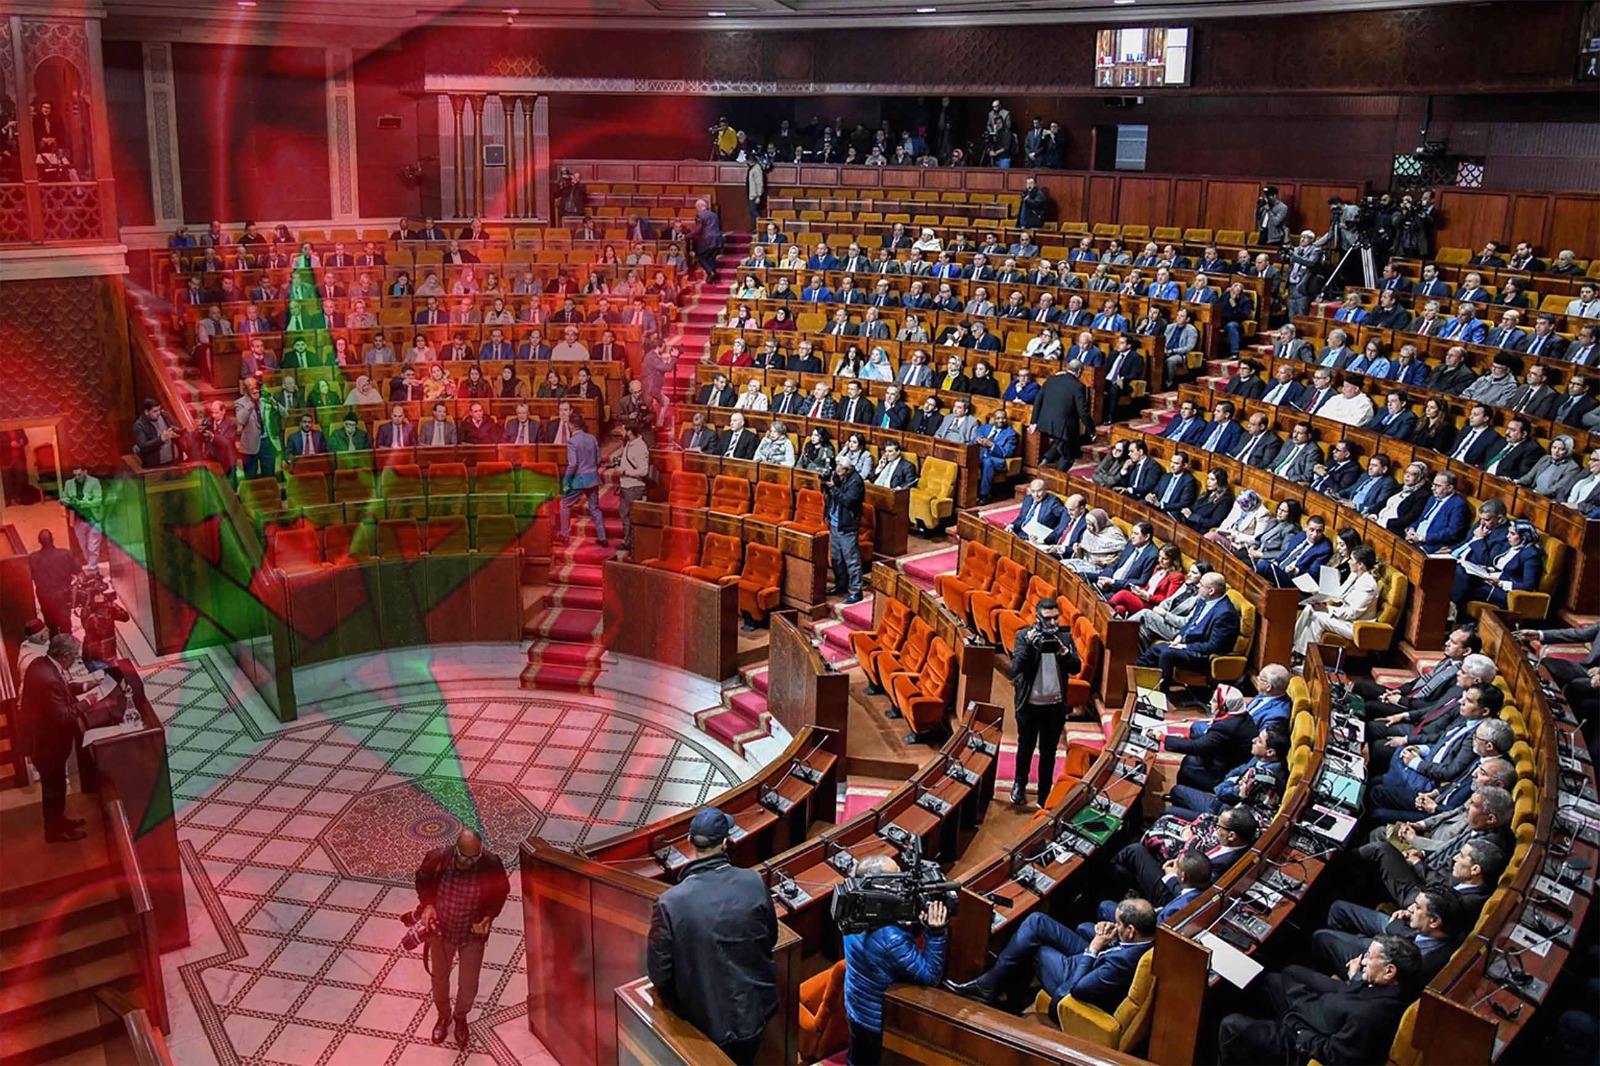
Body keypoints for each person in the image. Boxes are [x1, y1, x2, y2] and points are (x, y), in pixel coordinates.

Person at [646, 808, 778, 1064]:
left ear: (689, 841)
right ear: (726, 842)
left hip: (702, 1025)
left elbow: (659, 973)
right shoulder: (753, 881)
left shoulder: (669, 903)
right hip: (755, 1012)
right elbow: (769, 938)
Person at [1216, 937, 1422, 1066]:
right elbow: (1355, 997)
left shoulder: (1369, 1017)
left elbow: (1333, 1055)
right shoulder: (1390, 989)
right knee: (1271, 980)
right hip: (1317, 1010)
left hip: (1302, 1041)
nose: (1363, 961)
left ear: (1389, 971)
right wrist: (1355, 979)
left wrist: (1298, 1031)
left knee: (1231, 1024)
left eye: (1369, 956)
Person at [944, 899, 1156, 1014]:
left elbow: (1078, 988)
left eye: (1118, 924)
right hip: (1099, 957)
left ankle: (1005, 1000)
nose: (1115, 926)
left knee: (1034, 949)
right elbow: (1121, 946)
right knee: (1037, 921)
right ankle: (992, 985)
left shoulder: (1121, 964)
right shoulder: (1145, 938)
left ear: (1130, 931)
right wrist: (1111, 936)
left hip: (1079, 979)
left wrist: (1093, 948)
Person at [842, 854, 949, 1065]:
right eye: (898, 879)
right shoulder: (890, 938)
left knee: (856, 1058)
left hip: (856, 1003)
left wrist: (916, 923)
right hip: (876, 1020)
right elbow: (930, 976)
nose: (904, 882)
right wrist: (936, 933)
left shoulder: (852, 908)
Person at [413, 829, 510, 1047]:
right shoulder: (438, 858)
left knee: (469, 985)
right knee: (439, 978)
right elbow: (422, 880)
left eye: (474, 858)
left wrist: (488, 916)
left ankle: (460, 1017)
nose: (468, 863)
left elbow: (501, 892)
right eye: (464, 857)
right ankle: (443, 1015)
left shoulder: (490, 864)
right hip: (442, 931)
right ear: (456, 849)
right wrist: (428, 905)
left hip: (471, 934)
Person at [18, 634, 95, 842]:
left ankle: (60, 821)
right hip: (46, 746)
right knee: (54, 789)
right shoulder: (48, 679)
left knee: (56, 786)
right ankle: (55, 831)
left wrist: (85, 686)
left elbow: (61, 688)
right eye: (74, 656)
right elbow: (62, 716)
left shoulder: (42, 664)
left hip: (45, 742)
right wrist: (87, 703)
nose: (75, 660)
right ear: (64, 655)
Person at [1009, 598, 1084, 806]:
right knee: (1025, 748)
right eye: (1048, 619)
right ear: (1038, 618)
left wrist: (1064, 652)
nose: (1052, 623)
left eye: (1055, 618)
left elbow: (1076, 667)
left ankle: (1044, 795)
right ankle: (1019, 784)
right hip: (1029, 706)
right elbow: (1014, 669)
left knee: (1048, 753)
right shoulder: (1024, 636)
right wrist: (1029, 647)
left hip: (1054, 708)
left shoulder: (1064, 637)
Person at [1032, 360, 1095, 470]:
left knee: (1061, 443)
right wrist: (1091, 430)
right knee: (1069, 456)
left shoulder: (1051, 379)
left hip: (1045, 422)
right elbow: (1083, 411)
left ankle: (1046, 460)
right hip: (1063, 427)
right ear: (1079, 371)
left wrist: (1034, 421)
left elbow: (1038, 400)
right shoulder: (1078, 386)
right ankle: (1057, 475)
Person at [557, 413, 606, 545]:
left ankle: (565, 535)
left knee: (564, 504)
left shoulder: (572, 441)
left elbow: (573, 464)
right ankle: (602, 538)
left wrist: (566, 480)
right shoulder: (592, 438)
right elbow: (598, 460)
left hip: (580, 479)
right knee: (595, 508)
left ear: (571, 426)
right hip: (593, 478)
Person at [825, 456, 866, 604]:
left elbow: (848, 501)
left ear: (848, 470)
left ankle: (856, 591)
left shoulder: (856, 482)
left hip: (847, 526)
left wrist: (833, 488)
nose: (837, 471)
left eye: (840, 469)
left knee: (851, 560)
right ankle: (841, 584)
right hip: (834, 524)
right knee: (836, 558)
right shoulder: (840, 477)